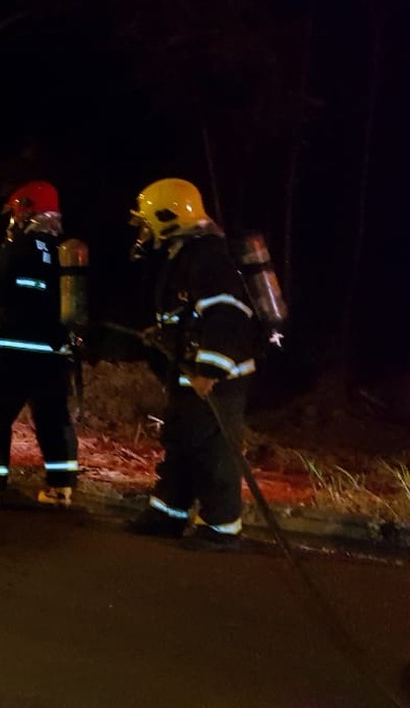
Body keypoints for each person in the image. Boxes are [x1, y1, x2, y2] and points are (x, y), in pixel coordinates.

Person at [125, 177, 257, 551]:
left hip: (218, 378)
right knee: (181, 443)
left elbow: (226, 316)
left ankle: (221, 529)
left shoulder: (208, 257)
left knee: (214, 453)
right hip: (190, 373)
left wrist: (210, 371)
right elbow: (189, 314)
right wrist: (162, 333)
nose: (144, 229)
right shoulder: (184, 254)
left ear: (168, 217)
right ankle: (168, 514)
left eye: (148, 220)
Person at [0, 181, 80, 507]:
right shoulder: (63, 252)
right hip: (54, 353)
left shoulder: (19, 246)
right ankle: (61, 488)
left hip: (13, 351)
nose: (11, 219)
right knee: (53, 420)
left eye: (14, 212)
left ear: (26, 210)